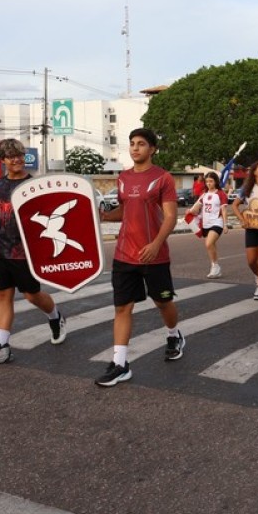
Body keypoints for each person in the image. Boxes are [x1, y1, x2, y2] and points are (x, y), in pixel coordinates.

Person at [95, 128, 183, 387]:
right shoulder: (123, 178)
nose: (135, 148)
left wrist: (156, 244)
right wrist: (105, 216)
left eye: (141, 144)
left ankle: (174, 334)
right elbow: (125, 210)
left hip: (154, 256)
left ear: (152, 149)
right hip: (124, 255)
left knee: (163, 302)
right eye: (132, 143)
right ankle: (120, 364)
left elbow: (171, 217)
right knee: (122, 307)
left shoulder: (163, 178)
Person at [0, 138, 66, 366]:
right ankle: (2, 346)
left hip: (23, 251)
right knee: (2, 295)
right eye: (11, 156)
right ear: (3, 160)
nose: (16, 159)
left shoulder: (33, 185)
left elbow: (47, 217)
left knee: (31, 295)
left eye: (19, 155)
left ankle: (55, 317)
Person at [232, 160, 258, 300]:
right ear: (254, 172)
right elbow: (235, 205)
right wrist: (242, 220)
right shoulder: (247, 188)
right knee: (251, 261)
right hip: (251, 227)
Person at [188, 171, 229, 279]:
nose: (209, 183)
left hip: (217, 222)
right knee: (211, 245)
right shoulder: (204, 195)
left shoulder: (220, 194)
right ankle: (215, 266)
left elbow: (224, 210)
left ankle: (215, 266)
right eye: (207, 181)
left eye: (211, 181)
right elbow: (196, 207)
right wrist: (190, 211)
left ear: (216, 182)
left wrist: (225, 224)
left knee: (208, 243)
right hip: (206, 224)